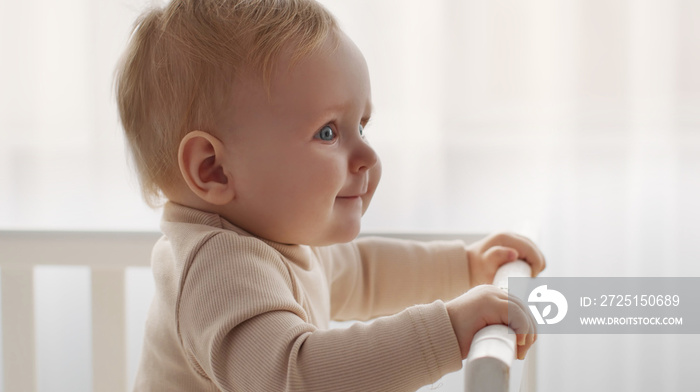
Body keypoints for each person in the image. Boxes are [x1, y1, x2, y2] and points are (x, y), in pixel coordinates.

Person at [115, 0, 546, 390]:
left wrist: (466, 265)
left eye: (361, 126)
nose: (366, 155)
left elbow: (364, 273)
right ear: (213, 168)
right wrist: (446, 332)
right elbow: (297, 376)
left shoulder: (272, 239)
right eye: (327, 132)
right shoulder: (218, 269)